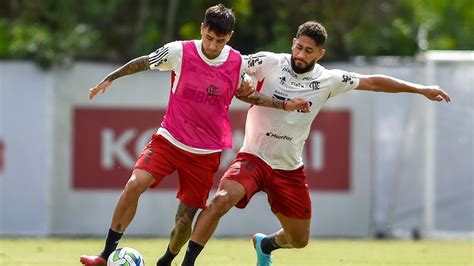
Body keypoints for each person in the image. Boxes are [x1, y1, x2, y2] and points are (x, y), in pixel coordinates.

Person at [180, 21, 451, 266]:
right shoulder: (268, 61)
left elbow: (373, 82)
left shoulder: (328, 79)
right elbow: (230, 64)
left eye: (309, 51)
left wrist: (420, 89)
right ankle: (187, 263)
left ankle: (265, 244)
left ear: (320, 54)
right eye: (299, 47)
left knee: (299, 239)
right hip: (253, 157)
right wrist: (242, 81)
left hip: (288, 168)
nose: (301, 54)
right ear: (292, 43)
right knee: (221, 201)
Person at [79, 4, 309, 266]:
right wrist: (112, 77)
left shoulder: (236, 63)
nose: (212, 46)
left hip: (205, 154)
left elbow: (250, 95)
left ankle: (167, 259)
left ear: (229, 37)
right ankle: (105, 255)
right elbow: (144, 61)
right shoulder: (179, 51)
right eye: (209, 38)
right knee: (135, 184)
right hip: (169, 140)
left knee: (183, 222)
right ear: (202, 29)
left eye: (220, 41)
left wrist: (283, 104)